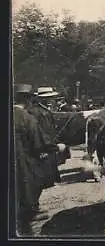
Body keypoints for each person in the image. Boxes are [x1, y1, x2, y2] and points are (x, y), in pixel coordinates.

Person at [14, 84, 66, 235]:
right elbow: (39, 143)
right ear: (30, 100)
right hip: (24, 158)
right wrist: (57, 147)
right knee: (30, 183)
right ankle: (26, 222)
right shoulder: (27, 117)